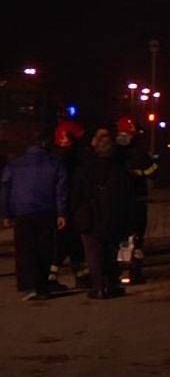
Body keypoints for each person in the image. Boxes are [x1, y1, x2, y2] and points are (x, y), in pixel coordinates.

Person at [0, 130, 68, 301]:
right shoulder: (54, 163)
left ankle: (30, 286)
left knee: (25, 250)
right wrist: (61, 213)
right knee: (44, 249)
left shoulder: (15, 164)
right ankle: (42, 286)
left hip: (22, 212)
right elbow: (60, 190)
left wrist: (6, 213)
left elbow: (5, 188)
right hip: (46, 210)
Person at [72, 127, 134, 299]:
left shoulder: (84, 168)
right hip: (113, 217)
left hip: (89, 217)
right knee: (110, 252)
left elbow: (76, 194)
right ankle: (111, 284)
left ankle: (99, 286)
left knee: (93, 254)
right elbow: (127, 196)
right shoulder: (119, 170)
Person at [47, 120, 91, 290]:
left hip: (63, 208)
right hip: (68, 208)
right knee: (64, 244)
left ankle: (80, 276)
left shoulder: (55, 158)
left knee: (71, 243)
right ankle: (52, 278)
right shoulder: (70, 161)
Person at [114, 117, 157, 283]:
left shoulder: (115, 153)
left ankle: (125, 270)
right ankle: (131, 271)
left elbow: (153, 171)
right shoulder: (137, 153)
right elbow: (154, 171)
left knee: (126, 238)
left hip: (123, 202)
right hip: (133, 201)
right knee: (134, 238)